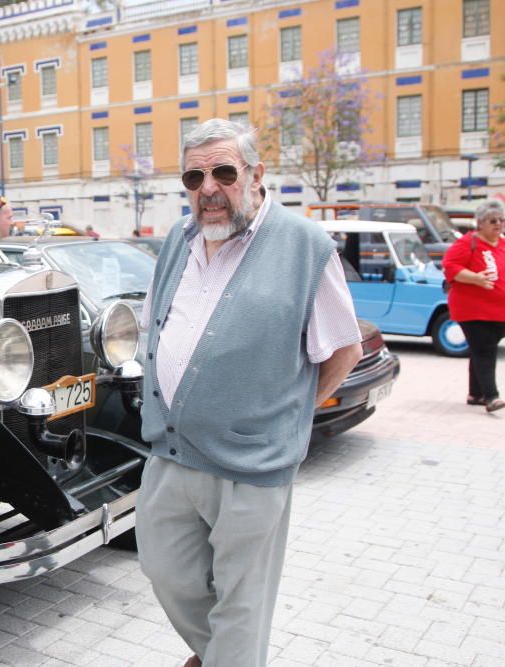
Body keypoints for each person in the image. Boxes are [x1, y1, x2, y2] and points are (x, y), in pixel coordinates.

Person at [137, 119, 363, 667]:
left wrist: (284, 418)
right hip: (171, 452)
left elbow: (343, 351)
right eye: (194, 176)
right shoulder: (179, 240)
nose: (208, 188)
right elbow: (156, 327)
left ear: (256, 175)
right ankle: (219, 655)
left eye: (223, 172)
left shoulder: (305, 247)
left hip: (252, 466)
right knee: (163, 568)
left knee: (242, 605)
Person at [442, 200, 505, 413]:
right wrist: (475, 278)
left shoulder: (502, 243)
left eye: (501, 220)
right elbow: (450, 266)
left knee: (483, 350)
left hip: (499, 311)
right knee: (484, 350)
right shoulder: (468, 242)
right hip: (473, 310)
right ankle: (491, 397)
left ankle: (475, 394)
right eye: (492, 221)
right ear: (480, 223)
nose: (498, 224)